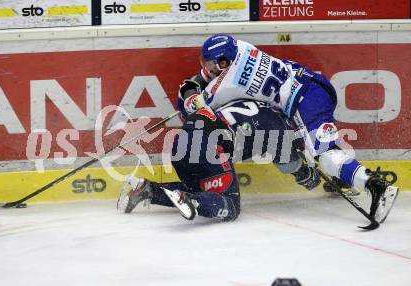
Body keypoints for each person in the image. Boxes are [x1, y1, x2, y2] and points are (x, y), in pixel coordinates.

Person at [174, 34, 399, 223]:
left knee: (326, 155)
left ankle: (375, 186)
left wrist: (188, 94)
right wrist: (196, 84)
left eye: (211, 64)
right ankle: (345, 177)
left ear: (224, 63)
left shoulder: (228, 84)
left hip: (305, 101)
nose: (208, 69)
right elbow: (204, 78)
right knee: (321, 145)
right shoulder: (241, 47)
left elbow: (194, 109)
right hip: (311, 83)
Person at [118, 99, 313, 221]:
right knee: (231, 206)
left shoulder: (258, 104)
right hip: (207, 145)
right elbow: (289, 164)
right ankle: (192, 201)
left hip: (181, 142)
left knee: (202, 189)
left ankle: (149, 189)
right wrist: (306, 173)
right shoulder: (280, 126)